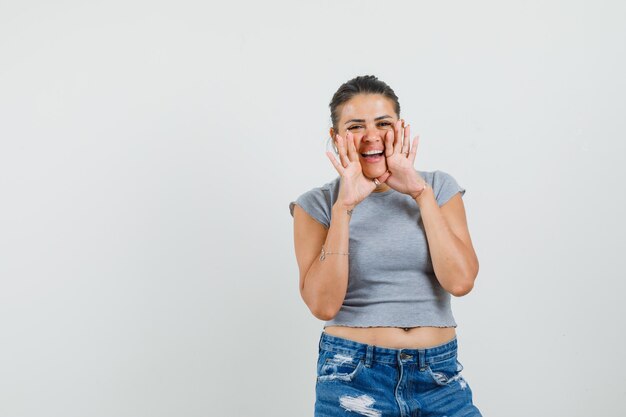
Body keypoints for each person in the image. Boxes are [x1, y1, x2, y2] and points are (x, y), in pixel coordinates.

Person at [289, 75, 482, 417]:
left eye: (383, 123)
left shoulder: (437, 187)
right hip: (353, 377)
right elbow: (323, 305)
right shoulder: (317, 205)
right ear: (335, 138)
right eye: (355, 126)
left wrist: (419, 192)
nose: (371, 136)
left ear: (400, 128)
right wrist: (344, 208)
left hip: (439, 378)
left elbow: (461, 281)